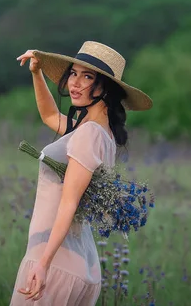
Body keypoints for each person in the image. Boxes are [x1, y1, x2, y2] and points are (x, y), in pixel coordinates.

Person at [10, 41, 153, 305]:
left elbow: (69, 201)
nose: (75, 82)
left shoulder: (88, 135)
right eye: (73, 73)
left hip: (56, 263)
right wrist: (36, 73)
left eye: (87, 76)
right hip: (79, 262)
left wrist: (43, 264)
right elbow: (50, 115)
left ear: (105, 88)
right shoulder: (98, 133)